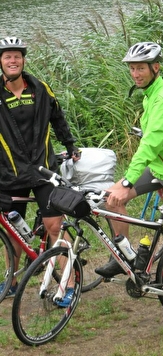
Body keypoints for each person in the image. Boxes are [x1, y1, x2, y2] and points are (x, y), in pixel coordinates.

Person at [94, 42, 163, 337]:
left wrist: (128, 181)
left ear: (155, 68)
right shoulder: (151, 95)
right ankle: (125, 256)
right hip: (160, 169)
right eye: (131, 68)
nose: (135, 73)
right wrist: (124, 184)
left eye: (140, 68)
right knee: (111, 199)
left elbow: (151, 143)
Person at [0, 36, 80, 305]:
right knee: (13, 230)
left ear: (23, 61)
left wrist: (70, 144)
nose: (13, 60)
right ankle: (11, 280)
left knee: (54, 224)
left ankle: (69, 282)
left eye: (17, 56)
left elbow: (58, 117)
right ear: (1, 62)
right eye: (7, 56)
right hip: (10, 174)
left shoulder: (40, 88)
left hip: (44, 169)